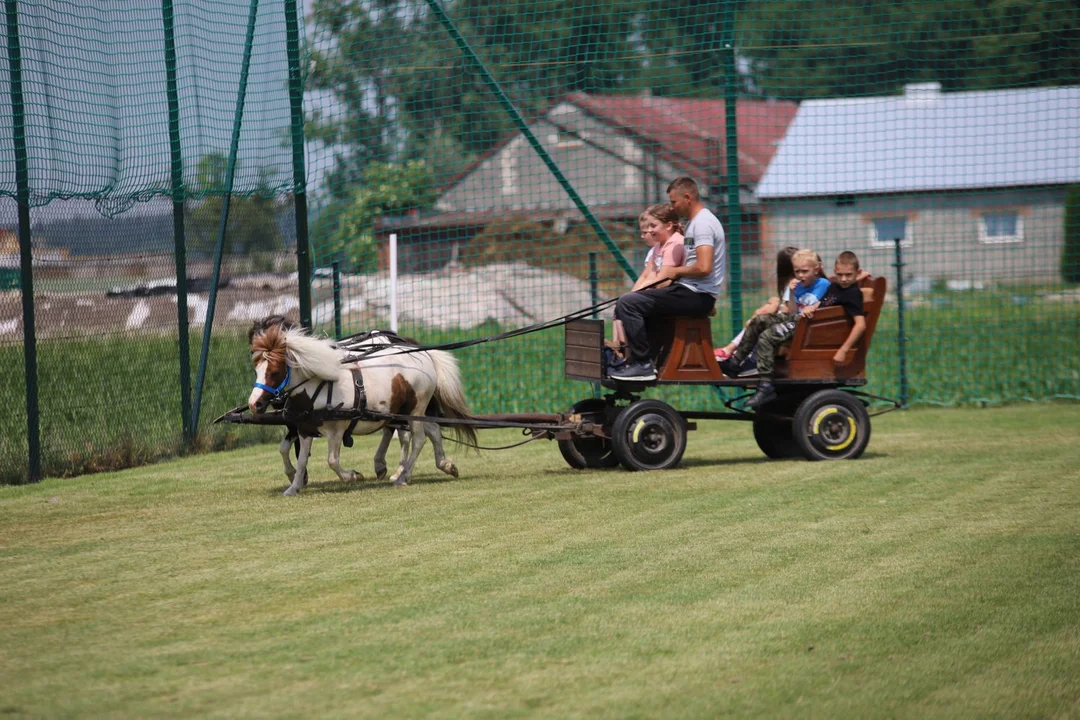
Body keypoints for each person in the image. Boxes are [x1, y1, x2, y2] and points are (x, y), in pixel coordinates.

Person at [609, 177, 725, 381]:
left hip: (698, 295)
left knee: (629, 303)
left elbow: (704, 267)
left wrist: (676, 271)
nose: (672, 207)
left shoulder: (704, 224)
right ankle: (646, 361)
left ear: (687, 197)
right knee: (636, 302)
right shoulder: (694, 224)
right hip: (689, 291)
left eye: (674, 202)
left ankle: (642, 364)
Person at [718, 248, 830, 408]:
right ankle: (735, 364)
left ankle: (766, 385)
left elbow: (830, 299)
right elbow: (791, 310)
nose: (800, 275)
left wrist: (816, 306)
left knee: (767, 336)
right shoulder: (797, 285)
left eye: (805, 271)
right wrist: (791, 293)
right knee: (759, 321)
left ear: (817, 269)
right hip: (794, 319)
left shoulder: (823, 284)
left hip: (807, 326)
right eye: (797, 271)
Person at [609, 204, 686, 358]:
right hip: (660, 292)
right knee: (623, 303)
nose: (648, 231)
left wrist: (635, 298)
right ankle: (621, 348)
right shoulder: (659, 246)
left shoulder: (675, 243)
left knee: (629, 305)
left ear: (669, 225)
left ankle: (636, 356)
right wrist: (632, 294)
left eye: (653, 226)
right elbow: (647, 276)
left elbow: (664, 280)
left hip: (676, 295)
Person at [716, 245, 799, 361]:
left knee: (757, 320)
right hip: (789, 320)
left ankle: (731, 351)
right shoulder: (792, 283)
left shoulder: (795, 283)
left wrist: (773, 308)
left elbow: (787, 311)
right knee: (762, 313)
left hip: (791, 323)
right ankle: (732, 351)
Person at [803, 250, 868, 366]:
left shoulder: (852, 294)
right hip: (811, 324)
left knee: (769, 333)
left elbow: (860, 324)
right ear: (834, 272)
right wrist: (811, 307)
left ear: (857, 273)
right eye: (839, 274)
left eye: (848, 275)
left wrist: (843, 350)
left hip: (818, 333)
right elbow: (823, 302)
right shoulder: (835, 286)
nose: (843, 279)